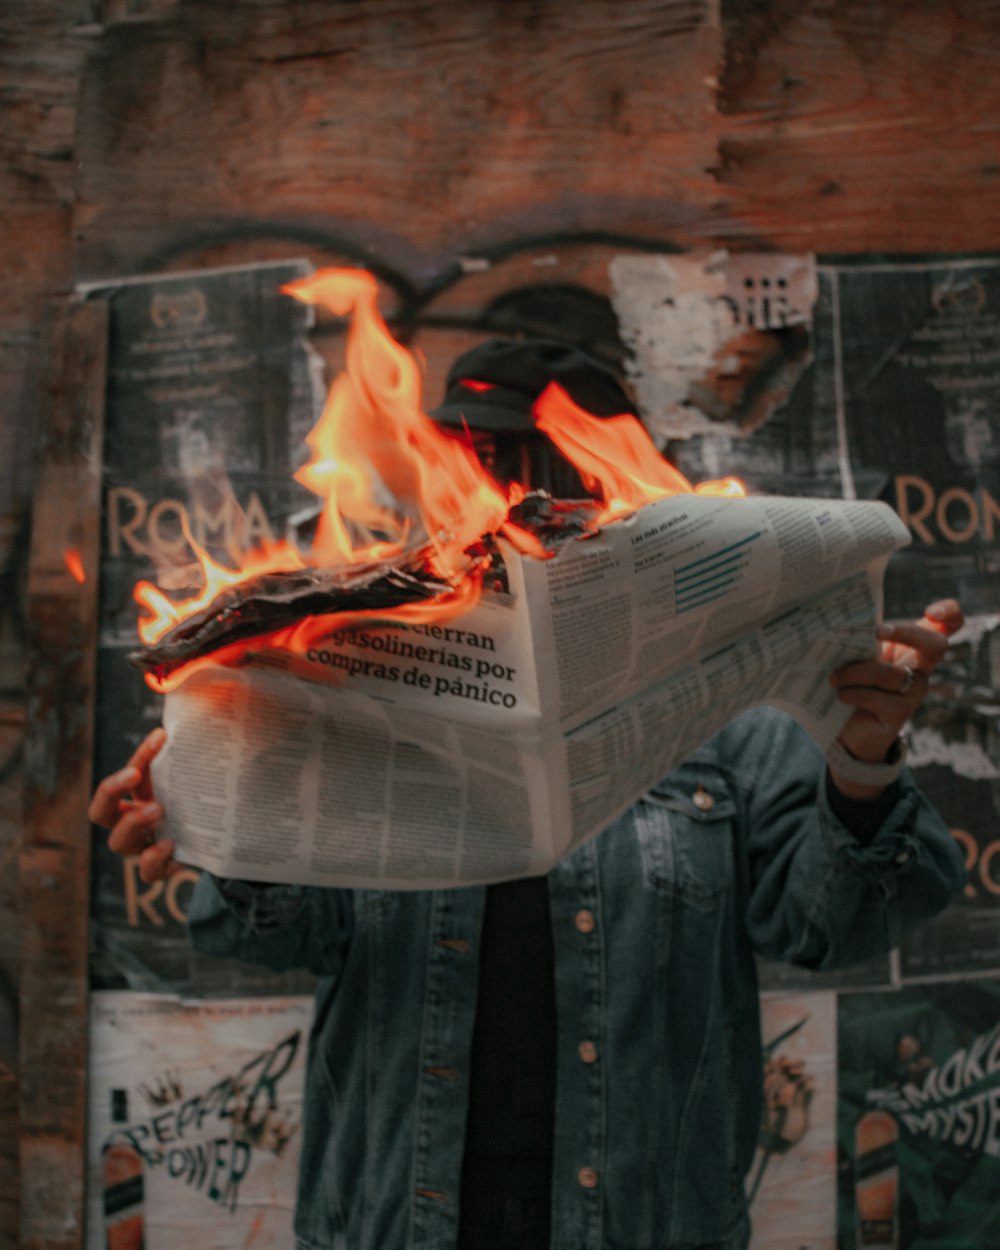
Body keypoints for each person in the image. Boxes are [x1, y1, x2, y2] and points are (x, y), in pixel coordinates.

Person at [90, 340, 967, 1250]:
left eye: (534, 470)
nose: (502, 498)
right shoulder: (350, 667)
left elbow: (832, 927)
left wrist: (864, 763)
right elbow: (275, 936)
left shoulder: (734, 696)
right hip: (399, 1222)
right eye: (479, 464)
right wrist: (214, 825)